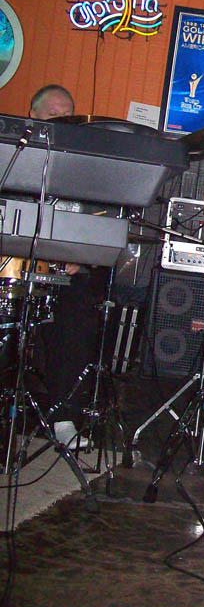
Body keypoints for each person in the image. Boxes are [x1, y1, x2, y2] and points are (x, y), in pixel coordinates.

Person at [29, 85, 105, 448]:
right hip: (15, 269)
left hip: (63, 275)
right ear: (33, 117)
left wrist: (80, 255)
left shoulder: (85, 166)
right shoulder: (16, 156)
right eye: (53, 115)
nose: (62, 121)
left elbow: (98, 222)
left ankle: (64, 418)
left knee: (78, 317)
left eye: (68, 115)